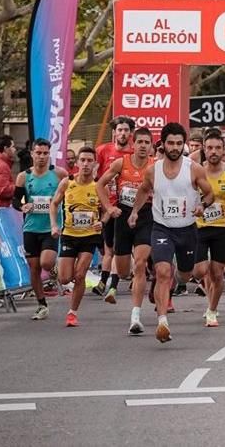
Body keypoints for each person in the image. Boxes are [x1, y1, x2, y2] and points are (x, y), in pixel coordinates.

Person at [127, 123, 214, 343]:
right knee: (162, 271)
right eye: (170, 143)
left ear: (183, 144)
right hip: (161, 227)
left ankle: (177, 279)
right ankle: (162, 321)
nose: (175, 147)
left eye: (178, 143)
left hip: (187, 229)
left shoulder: (193, 168)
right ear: (163, 145)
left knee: (185, 274)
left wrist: (203, 205)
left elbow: (209, 193)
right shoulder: (152, 170)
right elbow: (144, 190)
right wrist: (135, 212)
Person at [97, 127, 156, 328]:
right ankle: (126, 271)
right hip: (122, 215)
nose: (143, 146)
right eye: (139, 142)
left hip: (146, 216)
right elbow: (100, 185)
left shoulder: (156, 166)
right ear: (133, 144)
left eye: (147, 143)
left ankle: (136, 316)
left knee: (139, 264)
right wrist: (109, 207)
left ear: (151, 146)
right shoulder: (121, 163)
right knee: (123, 272)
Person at [50, 145, 105, 327]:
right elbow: (54, 203)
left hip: (90, 236)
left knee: (80, 275)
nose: (86, 164)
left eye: (90, 161)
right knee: (65, 278)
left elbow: (106, 210)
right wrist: (54, 225)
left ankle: (72, 313)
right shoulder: (67, 183)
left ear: (95, 164)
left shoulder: (98, 186)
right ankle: (61, 270)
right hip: (69, 235)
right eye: (83, 160)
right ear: (77, 163)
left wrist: (102, 222)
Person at [195, 128, 225, 327]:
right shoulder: (196, 171)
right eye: (209, 148)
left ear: (224, 150)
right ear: (204, 150)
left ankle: (212, 310)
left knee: (217, 272)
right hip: (198, 226)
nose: (213, 151)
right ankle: (209, 299)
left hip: (222, 227)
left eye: (217, 148)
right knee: (198, 271)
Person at [16, 139, 61, 320]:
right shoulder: (23, 177)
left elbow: (70, 192)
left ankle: (52, 267)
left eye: (45, 153)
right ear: (32, 154)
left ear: (49, 154)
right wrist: (22, 207)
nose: (42, 157)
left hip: (50, 228)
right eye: (39, 153)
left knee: (45, 263)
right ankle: (42, 304)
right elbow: (15, 200)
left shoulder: (59, 174)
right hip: (31, 228)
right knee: (34, 268)